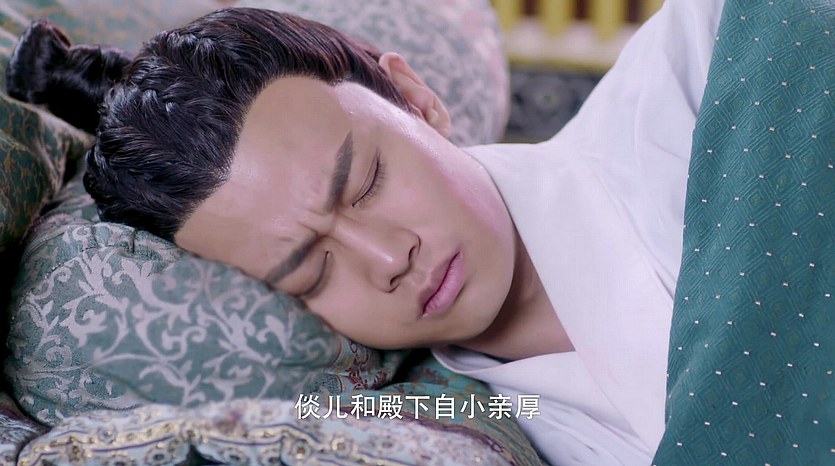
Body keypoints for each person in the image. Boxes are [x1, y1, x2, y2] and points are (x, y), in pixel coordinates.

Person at [7, 1, 727, 464]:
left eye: (367, 181)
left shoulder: (707, 58)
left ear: (414, 97)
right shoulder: (474, 415)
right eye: (311, 271)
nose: (387, 258)